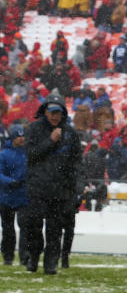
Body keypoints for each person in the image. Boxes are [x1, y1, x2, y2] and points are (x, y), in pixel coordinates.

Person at [23, 95, 82, 275]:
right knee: (33, 227)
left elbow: (77, 162)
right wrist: (51, 141)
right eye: (52, 112)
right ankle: (33, 257)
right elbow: (31, 155)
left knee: (55, 229)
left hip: (60, 189)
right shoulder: (33, 129)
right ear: (45, 112)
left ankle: (51, 263)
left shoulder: (71, 133)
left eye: (59, 112)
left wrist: (77, 186)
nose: (55, 116)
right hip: (37, 187)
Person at [0, 124, 28, 266]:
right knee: (8, 229)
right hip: (7, 197)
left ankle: (24, 257)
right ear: (13, 138)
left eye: (23, 135)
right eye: (19, 136)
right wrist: (11, 182)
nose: (22, 138)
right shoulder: (4, 154)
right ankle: (8, 257)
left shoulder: (28, 153)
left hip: (23, 196)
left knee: (25, 227)